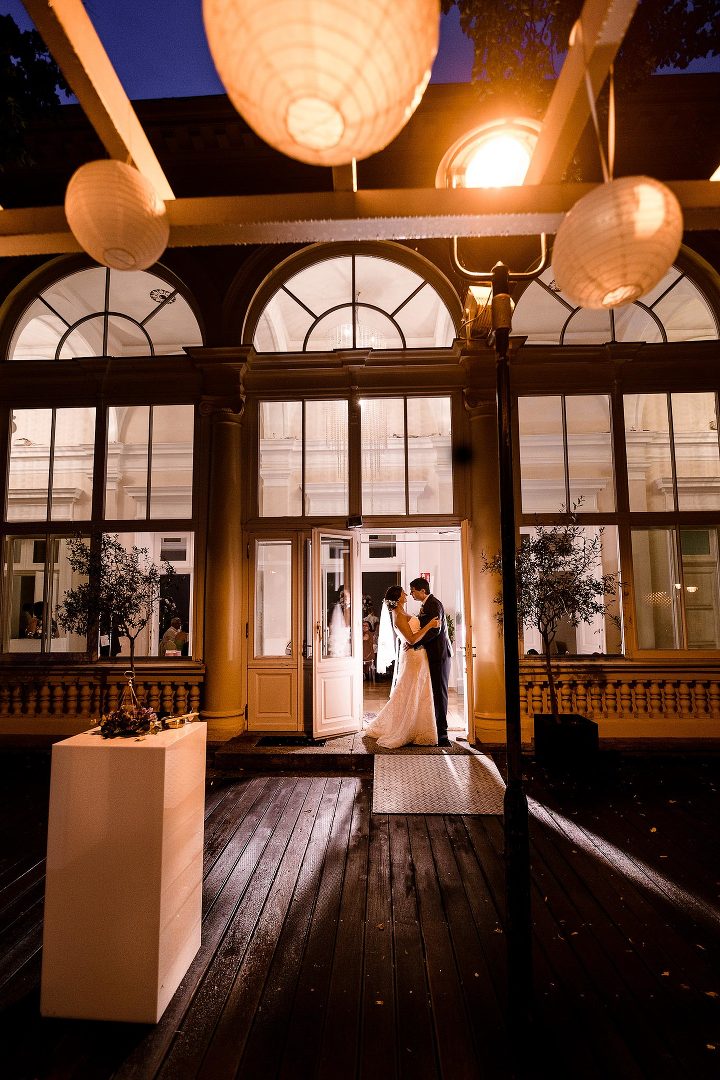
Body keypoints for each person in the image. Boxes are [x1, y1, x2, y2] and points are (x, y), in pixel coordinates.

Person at [364, 585, 440, 749]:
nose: (406, 594)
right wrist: (430, 625)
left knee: (419, 690)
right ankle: (407, 727)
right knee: (410, 690)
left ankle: (419, 727)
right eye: (404, 593)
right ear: (398, 598)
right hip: (414, 656)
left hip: (418, 654)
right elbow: (411, 639)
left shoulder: (403, 613)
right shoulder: (398, 616)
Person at [408, 576, 453, 747]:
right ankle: (436, 729)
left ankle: (443, 735)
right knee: (434, 692)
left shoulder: (434, 604)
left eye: (413, 591)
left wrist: (415, 644)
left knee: (440, 694)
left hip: (439, 655)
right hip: (433, 655)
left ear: (422, 590)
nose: (411, 594)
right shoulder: (427, 604)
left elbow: (435, 630)